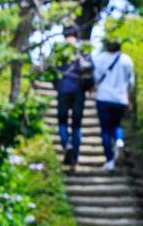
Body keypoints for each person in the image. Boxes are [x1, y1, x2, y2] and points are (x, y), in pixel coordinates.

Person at [91, 40, 135, 172]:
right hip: (120, 98)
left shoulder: (100, 58)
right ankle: (119, 140)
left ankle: (109, 160)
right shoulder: (127, 60)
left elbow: (95, 77)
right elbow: (131, 83)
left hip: (103, 97)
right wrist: (128, 99)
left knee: (105, 129)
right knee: (116, 125)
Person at [54, 26, 93, 169]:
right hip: (79, 90)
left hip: (63, 88)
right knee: (77, 125)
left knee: (62, 122)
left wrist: (56, 85)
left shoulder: (59, 48)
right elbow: (91, 69)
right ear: (77, 33)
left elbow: (53, 69)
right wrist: (89, 87)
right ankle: (75, 159)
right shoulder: (83, 48)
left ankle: (67, 144)